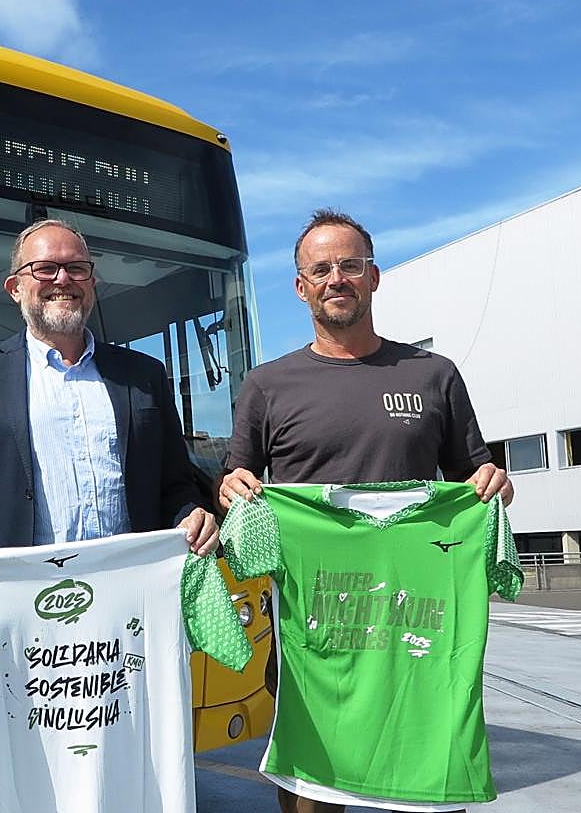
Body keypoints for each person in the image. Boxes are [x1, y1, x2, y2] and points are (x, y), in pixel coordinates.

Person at [217, 208, 513, 813]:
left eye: (349, 266)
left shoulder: (434, 375)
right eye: (320, 269)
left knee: (432, 751)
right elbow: (237, 482)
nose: (336, 279)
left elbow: (473, 478)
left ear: (374, 277)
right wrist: (232, 491)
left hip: (418, 616)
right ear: (301, 288)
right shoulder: (268, 385)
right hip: (313, 619)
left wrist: (492, 485)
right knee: (314, 776)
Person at [0, 219, 218, 599]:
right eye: (46, 269)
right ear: (15, 288)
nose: (63, 279)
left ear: (92, 284)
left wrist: (192, 516)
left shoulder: (144, 375)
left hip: (131, 596)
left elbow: (174, 484)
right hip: (19, 601)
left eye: (77, 268)